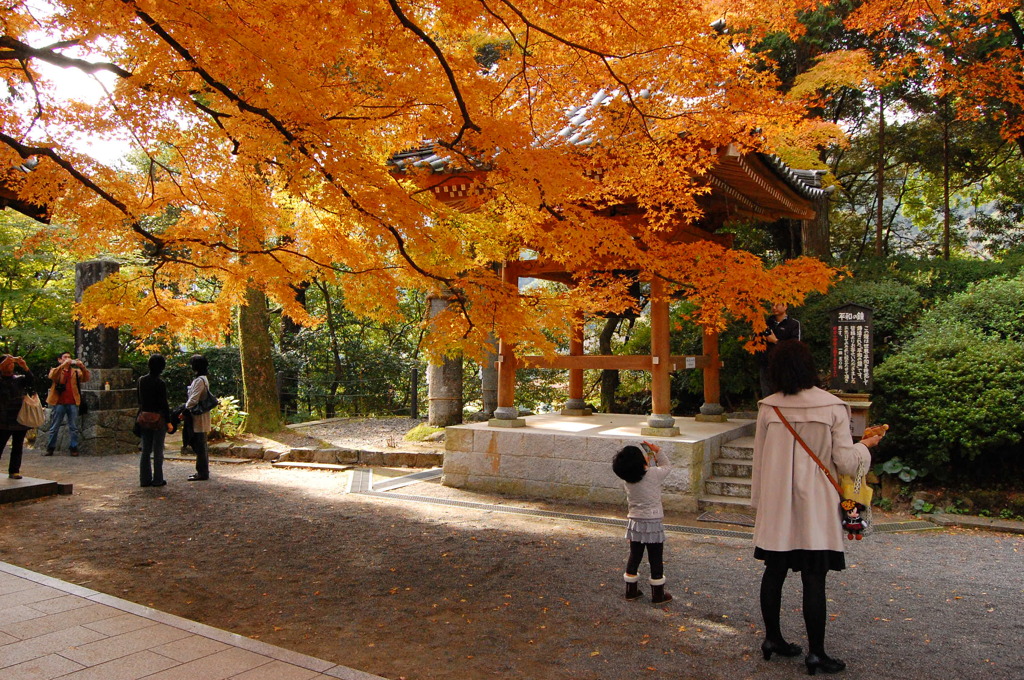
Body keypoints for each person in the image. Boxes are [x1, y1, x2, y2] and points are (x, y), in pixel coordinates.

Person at [752, 340, 884, 675]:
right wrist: (866, 447)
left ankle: (773, 639)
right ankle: (816, 653)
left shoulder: (769, 407)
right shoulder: (832, 407)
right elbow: (843, 461)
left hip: (778, 505)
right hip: (816, 508)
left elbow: (759, 462)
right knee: (814, 579)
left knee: (774, 571)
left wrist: (759, 506)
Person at [611, 440, 673, 604]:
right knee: (655, 557)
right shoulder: (654, 475)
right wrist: (657, 451)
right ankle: (658, 594)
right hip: (653, 522)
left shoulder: (628, 481)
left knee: (635, 555)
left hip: (635, 522)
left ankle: (631, 591)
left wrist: (649, 459)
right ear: (641, 461)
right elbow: (666, 466)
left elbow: (646, 471)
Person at [137, 354, 174, 487]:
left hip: (144, 417)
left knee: (146, 450)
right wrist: (169, 422)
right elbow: (164, 404)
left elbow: (139, 400)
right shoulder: (160, 383)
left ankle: (144, 479)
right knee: (158, 450)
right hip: (158, 419)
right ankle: (158, 479)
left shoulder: (141, 380)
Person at [45, 352, 91, 456]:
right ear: (59, 359)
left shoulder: (75, 372)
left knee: (73, 427)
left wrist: (82, 367)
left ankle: (73, 447)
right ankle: (50, 447)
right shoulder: (56, 370)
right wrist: (62, 365)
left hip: (73, 402)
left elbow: (86, 378)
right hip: (59, 402)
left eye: (69, 357)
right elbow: (52, 376)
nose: (68, 359)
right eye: (65, 357)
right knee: (54, 427)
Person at [0, 355, 34, 479]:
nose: (11, 366)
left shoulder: (19, 379)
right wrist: (5, 361)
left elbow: (31, 379)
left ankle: (14, 470)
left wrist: (24, 365)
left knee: (18, 446)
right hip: (3, 418)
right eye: (8, 364)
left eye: (11, 364)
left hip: (19, 417)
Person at [757, 302, 801, 398]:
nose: (774, 308)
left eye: (777, 305)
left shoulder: (793, 324)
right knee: (767, 394)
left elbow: (795, 346)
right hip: (767, 363)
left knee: (783, 394)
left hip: (784, 364)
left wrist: (776, 341)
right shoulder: (765, 324)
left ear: (785, 306)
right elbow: (757, 343)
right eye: (772, 305)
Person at [182, 354, 212, 481]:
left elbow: (194, 399)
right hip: (201, 416)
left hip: (198, 416)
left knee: (199, 444)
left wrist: (184, 408)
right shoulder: (203, 379)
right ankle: (202, 471)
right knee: (201, 444)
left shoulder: (199, 381)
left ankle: (202, 472)